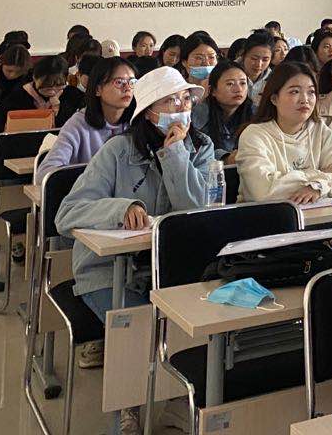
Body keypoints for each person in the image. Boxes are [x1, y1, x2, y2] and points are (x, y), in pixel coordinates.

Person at [55, 66, 214, 385]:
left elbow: (197, 212)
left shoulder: (200, 147)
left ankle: (180, 396)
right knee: (144, 332)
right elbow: (67, 213)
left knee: (201, 328)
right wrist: (122, 207)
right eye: (170, 101)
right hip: (108, 271)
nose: (181, 107)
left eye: (186, 99)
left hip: (173, 268)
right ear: (149, 112)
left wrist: (176, 154)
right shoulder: (118, 150)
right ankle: (131, 404)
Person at [237, 62, 332, 203]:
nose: (304, 100)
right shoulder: (254, 135)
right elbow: (263, 191)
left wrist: (318, 186)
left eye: (311, 92)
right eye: (294, 92)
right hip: (266, 215)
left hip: (314, 213)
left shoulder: (319, 129)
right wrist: (320, 176)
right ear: (274, 99)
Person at [36, 56, 136, 185]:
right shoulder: (78, 124)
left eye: (132, 82)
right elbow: (45, 174)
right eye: (119, 82)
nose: (127, 88)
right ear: (98, 89)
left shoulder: (138, 121)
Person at [0, 55, 83, 138]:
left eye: (58, 85)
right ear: (34, 77)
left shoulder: (72, 94)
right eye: (46, 86)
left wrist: (57, 108)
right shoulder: (18, 96)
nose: (52, 91)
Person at [190, 59, 253, 160]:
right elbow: (194, 152)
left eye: (242, 83)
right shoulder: (198, 115)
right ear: (212, 90)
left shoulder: (255, 113)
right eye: (230, 84)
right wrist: (225, 157)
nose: (238, 89)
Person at [240, 30, 276, 102]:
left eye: (265, 60)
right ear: (243, 55)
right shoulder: (228, 74)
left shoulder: (273, 79)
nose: (259, 64)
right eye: (254, 58)